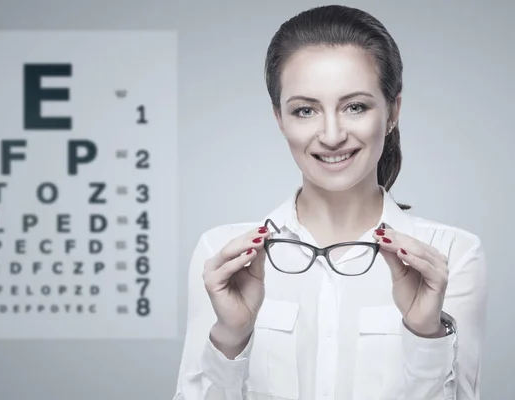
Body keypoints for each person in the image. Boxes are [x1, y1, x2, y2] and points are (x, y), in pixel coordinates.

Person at [173, 4, 487, 400]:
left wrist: (425, 334)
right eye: (305, 110)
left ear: (393, 111)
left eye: (355, 106)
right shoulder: (223, 256)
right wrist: (231, 340)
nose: (332, 134)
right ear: (280, 119)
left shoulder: (452, 255)